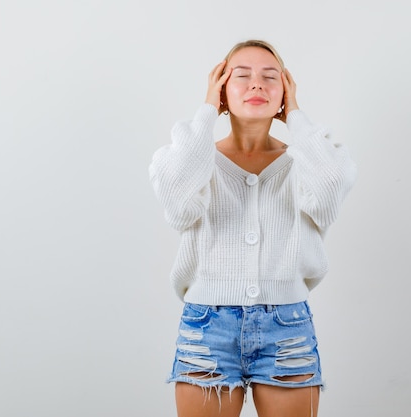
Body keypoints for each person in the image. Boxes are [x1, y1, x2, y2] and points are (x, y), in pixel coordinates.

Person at [149, 39, 356, 417]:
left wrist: (295, 116)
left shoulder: (305, 162)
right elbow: (178, 206)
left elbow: (328, 195)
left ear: (285, 91)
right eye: (240, 76)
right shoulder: (194, 160)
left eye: (270, 77)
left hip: (287, 328)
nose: (256, 84)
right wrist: (207, 111)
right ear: (222, 90)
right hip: (206, 328)